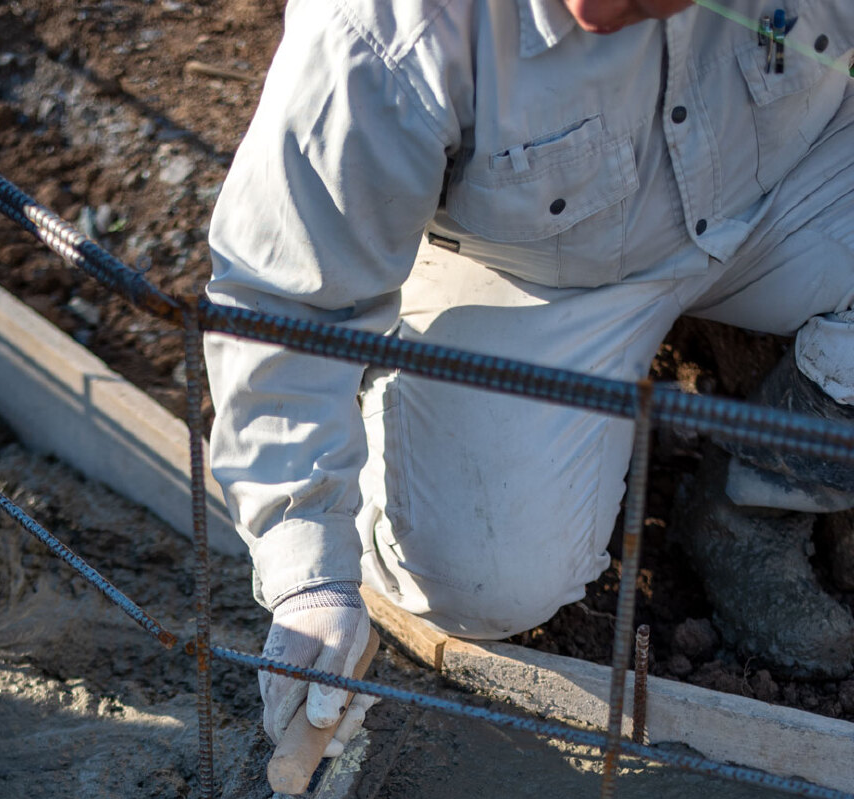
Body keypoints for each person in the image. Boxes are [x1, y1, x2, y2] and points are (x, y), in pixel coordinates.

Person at [203, 0, 854, 751]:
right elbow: (286, 301)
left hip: (792, 183)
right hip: (534, 272)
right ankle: (412, 403)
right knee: (482, 584)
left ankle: (753, 510)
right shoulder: (383, 27)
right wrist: (308, 566)